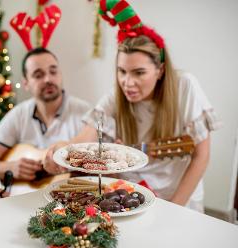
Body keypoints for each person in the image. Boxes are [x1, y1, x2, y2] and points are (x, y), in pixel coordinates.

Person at [44, 1, 222, 213]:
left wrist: (174, 209)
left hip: (180, 198)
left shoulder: (185, 86)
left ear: (160, 70)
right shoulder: (115, 98)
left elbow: (201, 155)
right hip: (132, 197)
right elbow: (82, 141)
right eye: (122, 71)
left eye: (139, 73)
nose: (127, 83)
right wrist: (59, 150)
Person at [0, 47, 90, 181]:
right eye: (38, 75)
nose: (48, 79)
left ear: (60, 74)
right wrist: (10, 167)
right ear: (26, 83)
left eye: (53, 71)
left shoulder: (85, 113)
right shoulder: (18, 115)